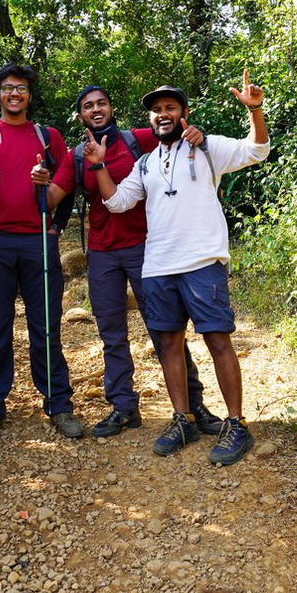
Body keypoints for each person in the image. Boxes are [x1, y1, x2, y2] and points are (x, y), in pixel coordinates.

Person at [87, 71, 270, 465]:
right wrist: (100, 166)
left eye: (170, 108)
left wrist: (255, 110)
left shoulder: (207, 149)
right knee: (168, 343)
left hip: (202, 261)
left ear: (184, 113)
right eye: (156, 110)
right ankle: (183, 417)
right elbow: (117, 202)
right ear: (150, 120)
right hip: (158, 265)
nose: (162, 114)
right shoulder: (146, 163)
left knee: (217, 340)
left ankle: (236, 424)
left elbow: (257, 150)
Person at [60, 85, 221, 439]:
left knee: (165, 330)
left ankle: (193, 407)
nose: (96, 109)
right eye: (88, 106)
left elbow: (178, 133)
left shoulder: (140, 139)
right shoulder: (77, 155)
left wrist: (199, 134)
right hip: (102, 252)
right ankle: (123, 407)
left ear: (112, 108)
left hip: (147, 248)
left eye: (102, 102)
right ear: (81, 115)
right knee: (111, 332)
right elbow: (56, 193)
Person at [0, 64, 84, 443]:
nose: (15, 94)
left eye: (22, 88)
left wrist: (57, 226)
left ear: (29, 95)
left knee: (46, 326)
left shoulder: (48, 137)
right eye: (8, 88)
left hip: (38, 242)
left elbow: (69, 180)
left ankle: (58, 405)